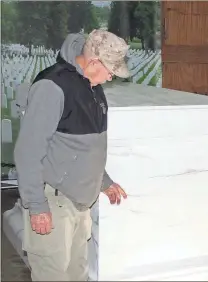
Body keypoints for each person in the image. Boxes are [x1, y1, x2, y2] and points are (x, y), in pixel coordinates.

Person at [14, 29, 130, 281]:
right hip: (54, 203)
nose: (111, 77)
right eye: (110, 70)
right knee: (52, 276)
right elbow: (27, 152)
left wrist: (104, 182)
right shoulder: (52, 87)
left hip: (79, 205)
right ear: (94, 61)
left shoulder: (93, 88)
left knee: (77, 274)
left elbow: (90, 147)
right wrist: (36, 205)